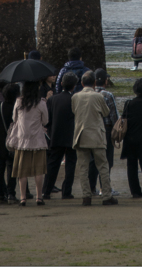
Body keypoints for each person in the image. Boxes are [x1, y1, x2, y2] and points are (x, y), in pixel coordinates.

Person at [72, 71, 118, 205]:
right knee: (103, 166)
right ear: (94, 83)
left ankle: (86, 196)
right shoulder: (98, 97)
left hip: (80, 135)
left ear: (81, 83)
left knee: (83, 167)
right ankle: (107, 196)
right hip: (97, 135)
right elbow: (106, 112)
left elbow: (74, 111)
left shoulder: (75, 97)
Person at [7, 80, 49, 206]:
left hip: (21, 140)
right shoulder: (41, 103)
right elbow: (46, 121)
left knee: (22, 171)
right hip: (37, 140)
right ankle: (39, 197)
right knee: (39, 171)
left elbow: (14, 119)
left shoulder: (19, 102)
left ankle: (23, 198)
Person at [43, 72, 78, 200]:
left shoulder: (53, 99)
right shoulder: (75, 99)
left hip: (55, 135)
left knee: (53, 164)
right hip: (71, 136)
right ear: (74, 86)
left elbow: (47, 119)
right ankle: (66, 191)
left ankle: (46, 190)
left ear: (62, 84)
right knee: (70, 164)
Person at [88, 68, 119, 196]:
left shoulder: (87, 95)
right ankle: (104, 188)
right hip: (105, 130)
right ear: (105, 81)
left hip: (90, 130)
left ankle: (91, 188)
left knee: (92, 161)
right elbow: (114, 117)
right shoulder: (108, 95)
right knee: (106, 161)